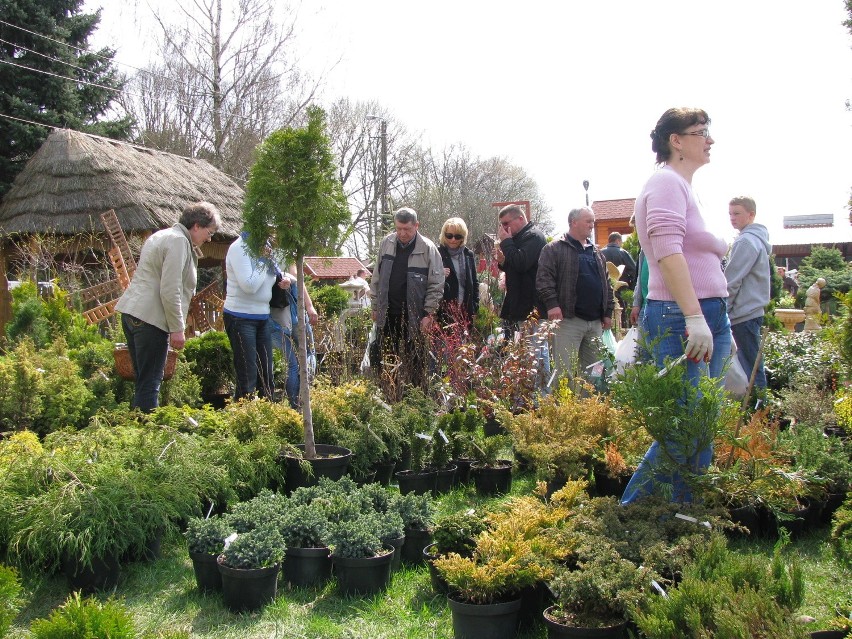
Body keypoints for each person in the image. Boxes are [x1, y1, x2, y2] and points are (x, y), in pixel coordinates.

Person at [621, 107, 732, 505]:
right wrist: (695, 317)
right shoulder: (666, 183)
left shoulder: (684, 186)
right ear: (677, 141)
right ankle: (631, 518)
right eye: (702, 132)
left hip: (707, 315)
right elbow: (667, 253)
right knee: (682, 425)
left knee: (701, 424)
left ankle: (683, 516)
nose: (710, 139)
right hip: (681, 317)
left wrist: (716, 322)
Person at [116, 201, 220, 412]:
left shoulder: (160, 235)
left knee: (143, 382)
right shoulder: (179, 242)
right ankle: (147, 436)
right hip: (151, 320)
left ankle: (134, 432)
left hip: (132, 313)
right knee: (151, 383)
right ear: (197, 226)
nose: (209, 239)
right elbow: (170, 288)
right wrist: (177, 328)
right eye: (209, 233)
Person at [369, 207, 444, 389]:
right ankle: (389, 394)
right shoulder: (386, 243)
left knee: (416, 361)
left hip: (416, 317)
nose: (402, 233)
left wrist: (429, 313)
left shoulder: (428, 249)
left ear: (416, 225)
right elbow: (376, 278)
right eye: (399, 228)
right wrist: (374, 306)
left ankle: (415, 399)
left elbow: (436, 284)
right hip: (388, 313)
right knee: (387, 359)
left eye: (407, 229)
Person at [537, 206, 614, 383]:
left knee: (596, 371)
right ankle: (565, 410)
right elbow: (543, 279)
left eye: (593, 221)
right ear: (574, 222)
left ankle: (590, 407)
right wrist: (552, 304)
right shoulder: (554, 248)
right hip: (568, 321)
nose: (592, 225)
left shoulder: (596, 252)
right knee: (565, 372)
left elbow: (607, 285)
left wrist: (607, 313)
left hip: (595, 323)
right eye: (588, 221)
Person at [223, 231, 288, 401]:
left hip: (263, 317)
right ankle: (244, 421)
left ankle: (266, 420)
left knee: (266, 375)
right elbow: (249, 286)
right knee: (248, 375)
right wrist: (262, 260)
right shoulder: (239, 248)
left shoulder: (265, 249)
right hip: (240, 317)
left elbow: (273, 275)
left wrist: (284, 280)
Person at [725, 196, 771, 389]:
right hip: (751, 311)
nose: (732, 218)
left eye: (737, 213)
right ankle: (759, 408)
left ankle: (759, 410)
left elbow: (731, 281)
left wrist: (723, 309)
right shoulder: (756, 239)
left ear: (751, 215)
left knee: (750, 367)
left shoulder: (746, 242)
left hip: (743, 313)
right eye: (730, 214)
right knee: (753, 364)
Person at [493, 204, 547, 337]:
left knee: (534, 353)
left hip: (531, 307)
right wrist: (503, 261)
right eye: (501, 225)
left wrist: (506, 242)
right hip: (517, 304)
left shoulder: (533, 236)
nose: (503, 228)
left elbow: (521, 263)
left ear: (520, 219)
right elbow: (515, 266)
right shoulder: (518, 238)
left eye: (506, 223)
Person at [270, 263, 318, 408]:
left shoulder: (257, 250)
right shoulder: (288, 249)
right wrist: (309, 307)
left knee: (292, 364)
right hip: (294, 316)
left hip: (274, 319)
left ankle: (295, 407)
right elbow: (297, 278)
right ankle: (305, 401)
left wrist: (309, 307)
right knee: (308, 354)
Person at [437, 217, 479, 328]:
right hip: (444, 310)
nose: (453, 240)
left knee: (465, 344)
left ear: (463, 237)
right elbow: (427, 279)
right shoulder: (437, 253)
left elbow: (474, 282)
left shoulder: (468, 254)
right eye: (449, 236)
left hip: (466, 309)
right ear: (444, 235)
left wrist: (475, 305)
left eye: (458, 236)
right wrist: (438, 274)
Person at [601, 231, 637, 327]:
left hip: (604, 290)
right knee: (621, 314)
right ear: (618, 241)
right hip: (621, 288)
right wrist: (631, 285)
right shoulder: (623, 253)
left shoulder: (600, 253)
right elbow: (634, 270)